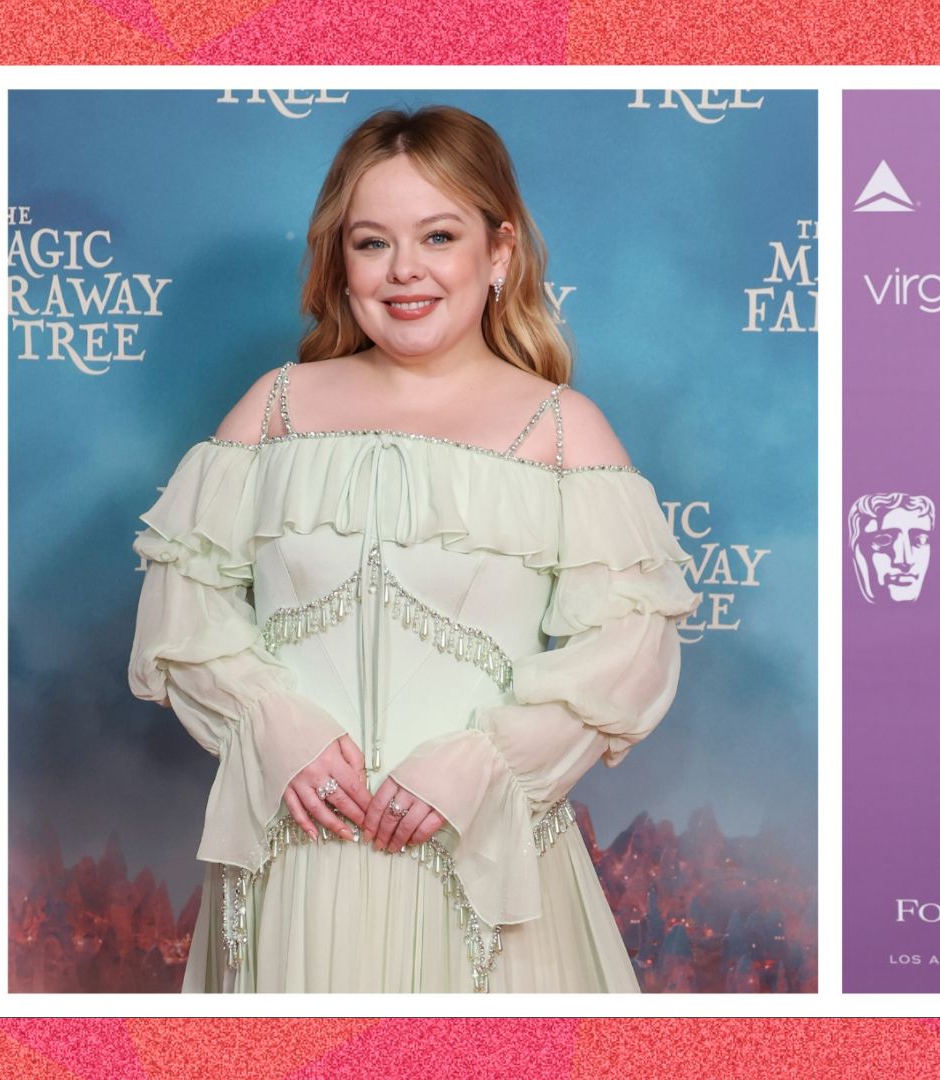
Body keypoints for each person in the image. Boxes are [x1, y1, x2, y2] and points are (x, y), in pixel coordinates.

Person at [127, 105, 698, 993]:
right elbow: (182, 603)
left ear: (499, 251)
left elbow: (631, 649)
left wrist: (483, 764)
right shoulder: (273, 409)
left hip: (481, 863)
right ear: (339, 261)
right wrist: (273, 725)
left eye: (438, 235)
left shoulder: (562, 432)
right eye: (371, 242)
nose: (405, 272)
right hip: (298, 862)